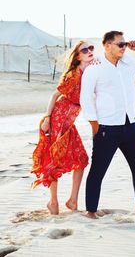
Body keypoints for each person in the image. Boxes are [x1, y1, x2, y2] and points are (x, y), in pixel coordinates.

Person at [80, 31, 135, 219]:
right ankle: (91, 210)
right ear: (107, 45)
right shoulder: (95, 68)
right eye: (119, 44)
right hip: (107, 127)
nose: (124, 47)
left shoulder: (129, 62)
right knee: (98, 169)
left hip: (130, 124)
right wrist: (94, 125)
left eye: (124, 44)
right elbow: (85, 99)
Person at [31, 41, 95, 215]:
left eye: (91, 48)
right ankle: (53, 202)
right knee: (54, 160)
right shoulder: (73, 75)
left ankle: (72, 200)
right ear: (77, 56)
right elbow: (54, 96)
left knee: (81, 159)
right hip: (59, 119)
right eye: (84, 50)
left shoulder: (90, 71)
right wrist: (47, 118)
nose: (89, 51)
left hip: (69, 121)